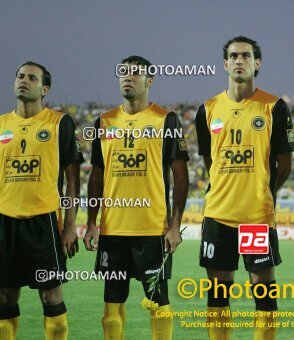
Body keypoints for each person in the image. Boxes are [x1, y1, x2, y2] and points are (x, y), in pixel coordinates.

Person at [195, 36, 294, 340]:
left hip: (256, 218)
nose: (239, 60)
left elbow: (284, 165)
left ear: (257, 63)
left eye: (246, 56)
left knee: (263, 294)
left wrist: (259, 193)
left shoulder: (274, 107)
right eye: (233, 56)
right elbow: (210, 161)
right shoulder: (207, 109)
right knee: (217, 294)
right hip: (218, 216)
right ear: (225, 64)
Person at [84, 55, 189, 339]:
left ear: (149, 81)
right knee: (111, 304)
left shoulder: (166, 119)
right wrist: (92, 222)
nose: (127, 77)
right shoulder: (104, 121)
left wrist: (174, 225)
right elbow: (97, 174)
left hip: (151, 230)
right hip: (113, 231)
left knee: (158, 302)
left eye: (135, 73)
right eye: (123, 73)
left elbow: (180, 176)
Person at [0, 61, 83, 340]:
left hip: (43, 221)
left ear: (44, 88)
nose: (24, 80)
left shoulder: (59, 123)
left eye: (32, 78)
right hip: (4, 222)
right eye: (20, 76)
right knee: (5, 296)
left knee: (51, 296)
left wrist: (70, 225)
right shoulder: (1, 125)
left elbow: (73, 179)